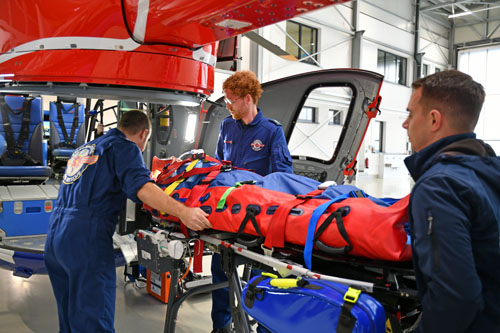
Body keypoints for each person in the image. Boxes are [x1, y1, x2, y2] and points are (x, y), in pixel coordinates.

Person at [44, 110, 211, 333]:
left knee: (70, 318)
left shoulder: (87, 148)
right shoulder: (125, 147)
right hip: (86, 241)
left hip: (56, 237)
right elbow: (143, 189)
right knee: (94, 320)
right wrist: (184, 212)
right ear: (144, 134)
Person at [402, 70, 500, 332]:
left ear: (434, 119)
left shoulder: (439, 186)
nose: (405, 123)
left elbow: (456, 299)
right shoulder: (487, 170)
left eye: (411, 113)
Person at [211, 70, 293, 333]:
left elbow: (282, 175)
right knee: (220, 269)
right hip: (228, 212)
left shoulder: (271, 131)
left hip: (257, 215)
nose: (228, 105)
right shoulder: (226, 126)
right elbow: (218, 165)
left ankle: (260, 326)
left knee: (261, 273)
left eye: (231, 100)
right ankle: (221, 325)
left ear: (248, 99)